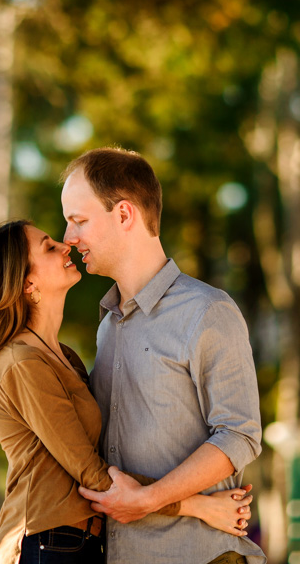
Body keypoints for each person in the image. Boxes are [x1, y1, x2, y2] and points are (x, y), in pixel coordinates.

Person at [0, 220, 254, 564]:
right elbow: (92, 473)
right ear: (27, 283)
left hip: (79, 543)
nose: (65, 245)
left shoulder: (65, 357)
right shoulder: (21, 363)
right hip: (45, 544)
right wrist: (198, 506)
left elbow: (106, 460)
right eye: (49, 247)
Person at [61, 148, 266, 564]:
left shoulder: (206, 311)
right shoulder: (108, 326)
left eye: (78, 221)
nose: (68, 238)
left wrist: (150, 499)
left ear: (124, 214)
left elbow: (239, 433)